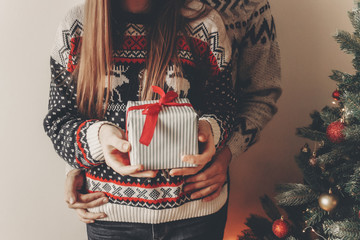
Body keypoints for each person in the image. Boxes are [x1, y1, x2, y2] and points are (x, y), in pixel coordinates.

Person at [64, 0, 281, 231]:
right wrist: (75, 164)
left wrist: (226, 151)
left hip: (196, 206)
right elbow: (69, 111)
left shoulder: (220, 15)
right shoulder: (80, 22)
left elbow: (254, 97)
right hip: (109, 210)